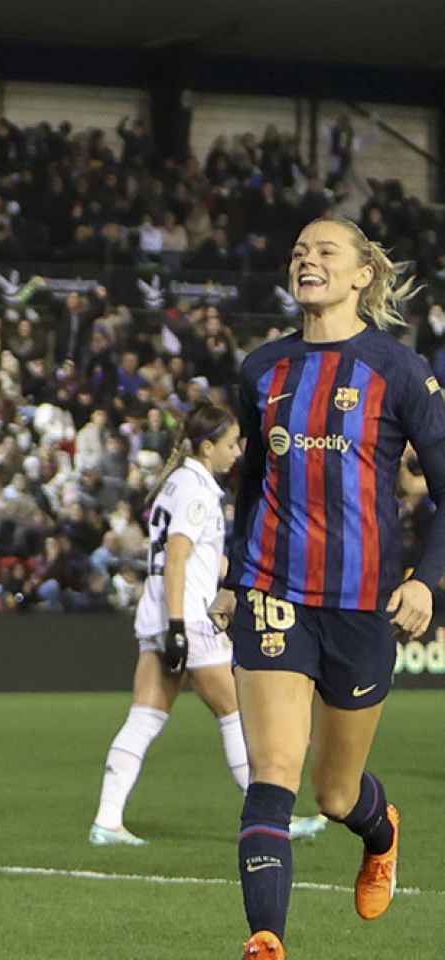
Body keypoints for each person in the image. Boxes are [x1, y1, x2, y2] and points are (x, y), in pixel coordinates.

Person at [217, 218, 445, 960]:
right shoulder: (261, 370)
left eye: (325, 252)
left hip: (362, 605)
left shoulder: (397, 369)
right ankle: (266, 940)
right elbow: (252, 481)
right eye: (297, 253)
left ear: (361, 277)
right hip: (273, 591)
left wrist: (428, 582)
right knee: (272, 772)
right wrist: (231, 572)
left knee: (334, 795)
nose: (306, 260)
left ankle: (380, 834)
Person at [88, 403, 327, 845]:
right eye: (231, 443)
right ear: (207, 446)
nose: (237, 452)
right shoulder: (197, 490)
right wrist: (180, 624)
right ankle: (273, 820)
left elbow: (196, 557)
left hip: (159, 610)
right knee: (237, 712)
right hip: (188, 615)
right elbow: (178, 556)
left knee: (145, 716)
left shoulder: (175, 484)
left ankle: (107, 820)